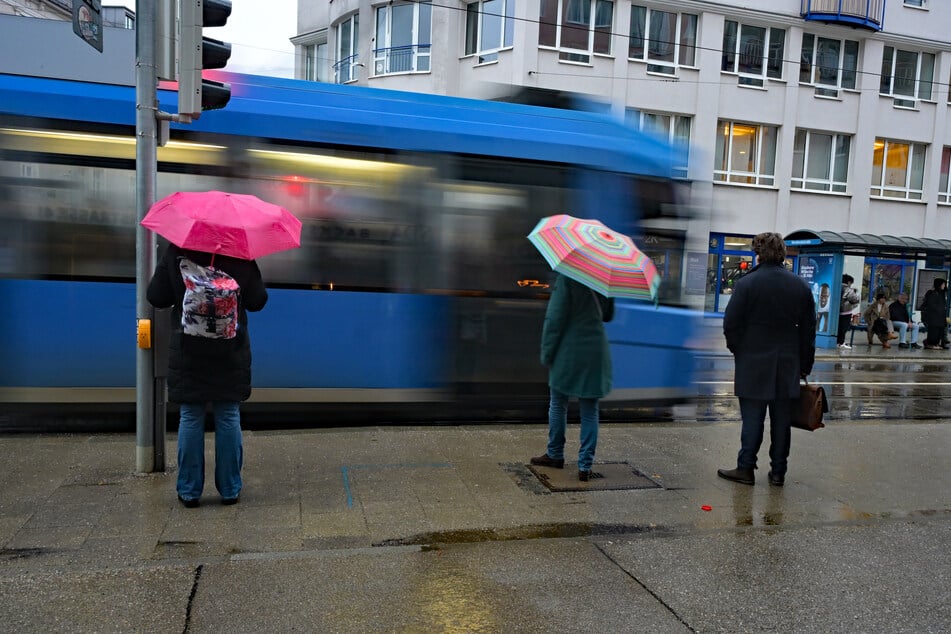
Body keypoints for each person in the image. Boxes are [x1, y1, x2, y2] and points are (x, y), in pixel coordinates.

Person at [147, 243, 268, 507]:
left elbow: (156, 296)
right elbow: (258, 300)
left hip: (188, 347)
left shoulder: (177, 249)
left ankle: (189, 492)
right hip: (230, 349)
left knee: (191, 415)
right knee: (227, 415)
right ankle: (230, 489)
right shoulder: (241, 252)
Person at [718, 232, 816, 487]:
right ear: (783, 254)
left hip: (753, 362)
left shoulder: (747, 284)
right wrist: (804, 364)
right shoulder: (800, 286)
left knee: (752, 419)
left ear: (758, 253)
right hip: (787, 363)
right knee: (782, 421)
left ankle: (746, 468)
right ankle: (778, 472)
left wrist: (738, 349)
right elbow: (808, 333)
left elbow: (731, 324)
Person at [530, 273, 614, 482]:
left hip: (569, 350)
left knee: (558, 402)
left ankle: (555, 454)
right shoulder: (604, 276)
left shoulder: (567, 276)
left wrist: (547, 352)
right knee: (589, 410)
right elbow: (607, 314)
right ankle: (585, 466)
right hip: (596, 350)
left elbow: (555, 318)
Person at [921, 278, 948, 350]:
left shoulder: (941, 293)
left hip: (940, 317)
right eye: (943, 284)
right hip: (934, 317)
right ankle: (930, 344)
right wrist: (939, 310)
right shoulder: (932, 293)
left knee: (940, 330)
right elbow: (931, 305)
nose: (944, 286)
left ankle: (935, 343)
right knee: (933, 331)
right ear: (938, 285)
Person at [836, 274, 860, 349]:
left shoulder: (836, 287)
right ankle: (841, 342)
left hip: (837, 311)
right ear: (849, 282)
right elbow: (855, 300)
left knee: (838, 327)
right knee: (844, 328)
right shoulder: (848, 289)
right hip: (846, 312)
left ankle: (837, 341)